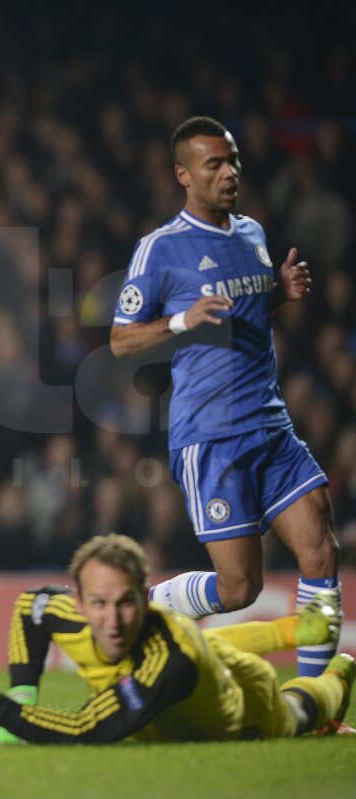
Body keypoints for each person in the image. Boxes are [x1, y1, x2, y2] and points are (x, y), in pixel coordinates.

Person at [109, 115, 341, 679]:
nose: (229, 172)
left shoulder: (254, 234)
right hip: (210, 437)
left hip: (271, 427)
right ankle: (144, 605)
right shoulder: (160, 249)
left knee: (321, 550)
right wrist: (180, 321)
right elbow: (120, 340)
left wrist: (279, 296)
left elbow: (243, 315)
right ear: (183, 174)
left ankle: (314, 701)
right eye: (214, 163)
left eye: (233, 160)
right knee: (240, 587)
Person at [0, 533, 353, 742]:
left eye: (126, 604)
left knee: (299, 712)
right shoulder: (68, 613)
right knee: (209, 646)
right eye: (99, 604)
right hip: (203, 653)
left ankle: (341, 672)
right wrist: (24, 693)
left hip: (246, 708)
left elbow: (86, 728)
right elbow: (30, 607)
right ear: (80, 602)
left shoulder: (165, 664)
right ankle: (295, 629)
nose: (112, 620)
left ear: (145, 601)